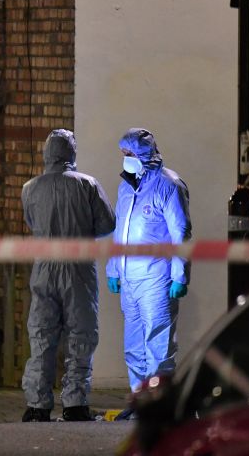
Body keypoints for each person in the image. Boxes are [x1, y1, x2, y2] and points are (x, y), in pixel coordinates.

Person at [20, 129, 116, 422]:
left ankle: (37, 405)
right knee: (81, 333)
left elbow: (31, 221)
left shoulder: (30, 188)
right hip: (78, 266)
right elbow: (106, 223)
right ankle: (75, 403)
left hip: (44, 266)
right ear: (71, 152)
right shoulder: (87, 185)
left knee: (41, 335)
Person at [105, 127, 192, 393]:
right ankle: (139, 401)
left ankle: (159, 404)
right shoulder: (126, 188)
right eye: (123, 153)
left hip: (157, 279)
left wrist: (180, 275)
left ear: (143, 153)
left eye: (129, 153)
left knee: (158, 345)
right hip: (130, 280)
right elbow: (120, 231)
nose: (125, 157)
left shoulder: (169, 185)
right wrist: (114, 269)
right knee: (134, 346)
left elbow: (181, 233)